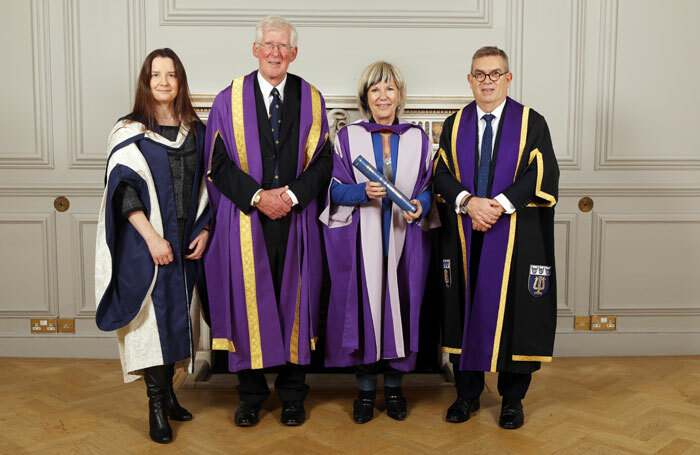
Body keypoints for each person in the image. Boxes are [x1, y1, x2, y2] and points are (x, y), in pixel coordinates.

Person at [204, 16, 331, 427]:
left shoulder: (311, 97)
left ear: (294, 54)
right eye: (268, 45)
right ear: (255, 49)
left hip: (296, 220)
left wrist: (291, 196)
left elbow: (324, 160)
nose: (275, 53)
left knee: (297, 304)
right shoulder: (229, 99)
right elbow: (216, 163)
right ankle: (251, 396)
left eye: (283, 47)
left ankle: (293, 396)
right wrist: (258, 197)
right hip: (246, 219)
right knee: (248, 306)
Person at [432, 46, 559, 430]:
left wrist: (498, 206)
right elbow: (439, 173)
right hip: (465, 233)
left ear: (508, 78)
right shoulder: (455, 124)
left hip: (515, 236)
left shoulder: (531, 122)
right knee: (464, 311)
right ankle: (467, 396)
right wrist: (469, 202)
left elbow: (542, 175)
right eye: (480, 74)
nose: (487, 81)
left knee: (516, 314)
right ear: (470, 80)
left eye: (494, 73)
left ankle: (512, 402)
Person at [94, 48, 210, 444]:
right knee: (151, 327)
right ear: (146, 83)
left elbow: (209, 189)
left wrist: (206, 230)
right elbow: (123, 194)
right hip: (147, 243)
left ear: (180, 82)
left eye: (171, 74)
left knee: (181, 321)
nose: (163, 81)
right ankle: (156, 406)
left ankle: (171, 393)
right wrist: (152, 238)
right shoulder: (128, 131)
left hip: (186, 242)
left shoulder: (196, 130)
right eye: (155, 75)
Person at [320, 61, 435, 424]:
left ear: (399, 95)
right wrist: (360, 190)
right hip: (362, 239)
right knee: (365, 311)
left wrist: (423, 204)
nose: (382, 96)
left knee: (400, 310)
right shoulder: (346, 138)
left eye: (389, 89)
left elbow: (430, 188)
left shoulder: (418, 138)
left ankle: (397, 390)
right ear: (365, 98)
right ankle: (367, 391)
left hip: (405, 238)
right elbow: (332, 189)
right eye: (375, 89)